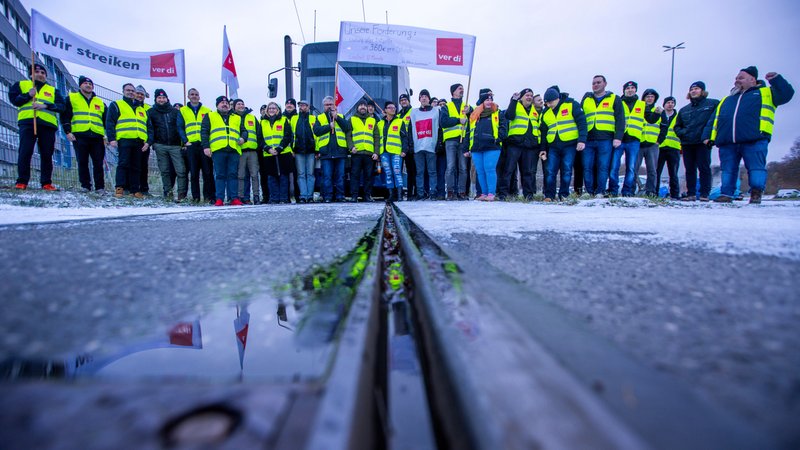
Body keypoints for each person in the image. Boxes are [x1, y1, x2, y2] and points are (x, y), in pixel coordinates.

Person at [709, 66, 794, 204]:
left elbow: (786, 94)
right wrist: (711, 137)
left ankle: (756, 193)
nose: (737, 80)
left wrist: (777, 80)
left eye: (741, 78)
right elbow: (715, 120)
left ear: (752, 80)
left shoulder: (766, 93)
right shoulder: (727, 99)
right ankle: (726, 194)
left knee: (756, 168)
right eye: (736, 78)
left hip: (754, 139)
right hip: (728, 141)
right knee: (728, 170)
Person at [10, 62, 65, 190]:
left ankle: (46, 182)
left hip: (47, 125)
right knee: (25, 152)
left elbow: (62, 107)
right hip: (28, 123)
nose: (40, 74)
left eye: (43, 73)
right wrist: (28, 96)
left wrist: (46, 106)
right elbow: (14, 100)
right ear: (31, 74)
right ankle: (22, 181)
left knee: (47, 154)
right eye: (37, 72)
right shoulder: (21, 85)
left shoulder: (52, 90)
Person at [609, 81, 659, 196]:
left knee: (631, 168)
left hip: (634, 140)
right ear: (624, 90)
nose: (630, 90)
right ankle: (613, 191)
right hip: (619, 139)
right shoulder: (618, 102)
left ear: (635, 90)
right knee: (614, 167)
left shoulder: (642, 104)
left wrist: (656, 114)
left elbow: (650, 119)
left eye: (632, 88)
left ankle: (627, 191)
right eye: (628, 88)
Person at [540, 87, 587, 201]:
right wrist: (543, 149)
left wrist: (582, 140)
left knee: (566, 170)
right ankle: (549, 195)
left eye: (551, 102)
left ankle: (563, 195)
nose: (549, 105)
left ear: (557, 98)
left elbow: (581, 122)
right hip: (553, 146)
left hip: (569, 144)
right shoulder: (545, 112)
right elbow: (543, 132)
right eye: (547, 103)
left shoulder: (571, 105)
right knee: (550, 171)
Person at [674, 81, 719, 201]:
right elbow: (677, 126)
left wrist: (710, 137)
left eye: (697, 89)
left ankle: (704, 193)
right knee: (689, 169)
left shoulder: (712, 104)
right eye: (692, 89)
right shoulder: (684, 110)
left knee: (704, 167)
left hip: (702, 142)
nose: (694, 91)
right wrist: (683, 134)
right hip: (687, 143)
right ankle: (691, 193)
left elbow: (717, 120)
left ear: (703, 91)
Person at [580, 75, 624, 198]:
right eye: (593, 83)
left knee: (603, 167)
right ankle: (589, 192)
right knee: (587, 166)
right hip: (588, 139)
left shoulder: (614, 98)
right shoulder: (586, 99)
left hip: (606, 138)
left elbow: (620, 119)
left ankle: (600, 191)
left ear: (605, 83)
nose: (595, 85)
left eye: (598, 82)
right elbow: (580, 118)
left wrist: (618, 137)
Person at [61, 75, 106, 193]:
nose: (88, 85)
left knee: (98, 163)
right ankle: (85, 186)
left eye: (90, 84)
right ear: (80, 85)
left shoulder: (100, 102)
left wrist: (106, 136)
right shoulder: (71, 98)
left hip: (97, 136)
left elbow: (106, 120)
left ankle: (100, 187)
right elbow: (65, 116)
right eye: (86, 84)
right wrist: (67, 131)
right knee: (82, 161)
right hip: (80, 135)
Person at [201, 95, 245, 206]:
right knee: (220, 175)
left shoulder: (237, 117)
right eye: (222, 103)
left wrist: (243, 138)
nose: (224, 105)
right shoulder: (210, 116)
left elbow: (244, 131)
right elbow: (204, 132)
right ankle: (219, 198)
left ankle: (233, 198)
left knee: (233, 174)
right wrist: (206, 147)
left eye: (226, 103)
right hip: (218, 150)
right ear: (217, 105)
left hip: (233, 149)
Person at [106, 83, 148, 198]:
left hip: (139, 140)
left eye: (132, 91)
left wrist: (147, 141)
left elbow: (146, 126)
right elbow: (110, 122)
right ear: (123, 91)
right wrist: (112, 139)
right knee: (123, 164)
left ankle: (135, 190)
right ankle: (120, 188)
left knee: (136, 166)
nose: (131, 92)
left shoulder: (141, 109)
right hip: (124, 139)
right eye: (128, 90)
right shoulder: (117, 105)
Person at [146, 88, 187, 201]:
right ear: (156, 99)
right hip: (160, 145)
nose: (161, 99)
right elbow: (150, 128)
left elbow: (180, 128)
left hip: (175, 145)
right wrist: (152, 142)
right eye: (159, 98)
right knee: (164, 171)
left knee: (181, 170)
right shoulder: (151, 112)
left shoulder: (175, 112)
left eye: (163, 97)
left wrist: (183, 142)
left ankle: (181, 194)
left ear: (167, 99)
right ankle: (168, 194)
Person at [465, 90, 506, 201]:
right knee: (480, 170)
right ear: (482, 102)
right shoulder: (474, 115)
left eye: (491, 100)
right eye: (487, 100)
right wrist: (467, 147)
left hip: (492, 146)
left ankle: (491, 193)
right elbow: (469, 132)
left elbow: (503, 127)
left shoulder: (498, 112)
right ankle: (483, 193)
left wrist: (498, 139)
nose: (489, 102)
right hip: (477, 147)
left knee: (489, 169)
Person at [500, 88, 541, 200]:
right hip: (515, 144)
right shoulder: (515, 105)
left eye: (531, 96)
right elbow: (509, 116)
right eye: (527, 95)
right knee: (508, 170)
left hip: (529, 146)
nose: (529, 97)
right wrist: (513, 101)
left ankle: (528, 195)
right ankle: (503, 194)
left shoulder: (534, 110)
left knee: (527, 172)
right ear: (521, 97)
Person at [178, 88, 215, 203]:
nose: (194, 96)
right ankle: (196, 198)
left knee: (207, 172)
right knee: (193, 173)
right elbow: (180, 127)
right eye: (192, 94)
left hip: (204, 145)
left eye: (196, 94)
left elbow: (211, 128)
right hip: (191, 145)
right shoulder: (183, 110)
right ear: (188, 96)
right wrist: (185, 141)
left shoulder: (207, 111)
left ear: (199, 96)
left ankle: (208, 197)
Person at [313, 95, 351, 202]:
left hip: (340, 151)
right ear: (323, 106)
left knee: (340, 176)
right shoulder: (319, 118)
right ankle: (328, 197)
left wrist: (337, 117)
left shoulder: (341, 116)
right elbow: (316, 131)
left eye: (331, 104)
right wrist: (329, 127)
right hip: (326, 152)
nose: (329, 106)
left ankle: (340, 196)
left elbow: (347, 127)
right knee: (327, 176)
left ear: (334, 105)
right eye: (326, 105)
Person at [440, 83, 472, 200]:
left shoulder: (466, 106)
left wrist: (470, 111)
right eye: (459, 88)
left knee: (463, 167)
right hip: (451, 140)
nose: (462, 90)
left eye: (463, 88)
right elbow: (443, 121)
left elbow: (473, 119)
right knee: (451, 166)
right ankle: (450, 192)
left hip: (463, 141)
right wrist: (459, 120)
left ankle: (462, 192)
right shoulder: (446, 107)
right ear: (453, 92)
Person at [410, 89, 440, 200]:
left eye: (426, 96)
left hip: (431, 146)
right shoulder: (414, 112)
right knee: (419, 172)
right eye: (421, 96)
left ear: (429, 98)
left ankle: (433, 193)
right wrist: (411, 144)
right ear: (419, 99)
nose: (423, 98)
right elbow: (410, 128)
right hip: (418, 147)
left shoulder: (436, 111)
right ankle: (420, 193)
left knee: (432, 172)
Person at [261, 102, 294, 203]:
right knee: (272, 177)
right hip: (269, 153)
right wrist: (268, 148)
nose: (271, 110)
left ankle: (284, 198)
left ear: (278, 110)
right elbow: (260, 138)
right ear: (267, 110)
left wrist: (279, 148)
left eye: (274, 108)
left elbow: (288, 136)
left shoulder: (284, 120)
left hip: (283, 153)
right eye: (269, 108)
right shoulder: (262, 122)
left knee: (284, 176)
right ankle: (274, 198)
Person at [348, 98, 380, 202]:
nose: (363, 107)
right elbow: (348, 136)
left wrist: (376, 152)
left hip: (369, 154)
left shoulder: (373, 120)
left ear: (367, 108)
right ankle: (354, 196)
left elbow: (376, 138)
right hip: (356, 153)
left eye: (364, 105)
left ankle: (367, 195)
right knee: (355, 175)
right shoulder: (352, 119)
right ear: (357, 107)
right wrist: (351, 147)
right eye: (360, 105)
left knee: (368, 176)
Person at [635, 88, 664, 196]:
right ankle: (632, 189)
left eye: (652, 97)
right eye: (647, 96)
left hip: (652, 144)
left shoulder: (659, 111)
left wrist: (659, 141)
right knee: (634, 168)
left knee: (652, 170)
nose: (650, 99)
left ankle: (650, 191)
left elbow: (664, 127)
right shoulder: (639, 110)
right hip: (639, 143)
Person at [233, 99, 262, 204]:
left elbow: (259, 134)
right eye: (238, 104)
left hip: (252, 151)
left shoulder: (252, 118)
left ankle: (256, 196)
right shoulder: (232, 118)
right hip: (239, 151)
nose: (241, 106)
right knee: (240, 175)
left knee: (254, 175)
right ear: (234, 106)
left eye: (242, 104)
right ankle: (241, 196)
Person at [290, 99, 317, 203]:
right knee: (301, 174)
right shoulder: (294, 118)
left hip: (311, 150)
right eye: (300, 105)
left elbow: (316, 135)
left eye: (304, 105)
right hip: (298, 150)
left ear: (308, 107)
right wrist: (292, 149)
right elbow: (291, 135)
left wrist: (317, 149)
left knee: (310, 174)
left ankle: (310, 196)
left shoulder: (313, 118)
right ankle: (303, 196)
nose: (302, 107)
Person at [656, 96, 682, 200]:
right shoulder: (660, 116)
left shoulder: (678, 116)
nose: (670, 104)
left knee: (673, 172)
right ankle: (654, 192)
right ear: (664, 104)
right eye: (668, 102)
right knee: (657, 171)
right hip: (660, 147)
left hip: (673, 147)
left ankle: (674, 194)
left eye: (672, 102)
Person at [134, 86, 153, 196]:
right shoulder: (129, 106)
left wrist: (149, 142)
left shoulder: (147, 109)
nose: (140, 96)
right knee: (131, 165)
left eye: (142, 94)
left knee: (144, 166)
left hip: (144, 142)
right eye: (138, 93)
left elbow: (150, 128)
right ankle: (132, 188)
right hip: (130, 139)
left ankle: (144, 189)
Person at [398, 93, 416, 200]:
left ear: (408, 101)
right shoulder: (399, 115)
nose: (403, 102)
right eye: (401, 100)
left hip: (411, 146)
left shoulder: (413, 112)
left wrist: (411, 145)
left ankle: (411, 193)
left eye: (405, 100)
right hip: (400, 147)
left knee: (411, 172)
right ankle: (399, 193)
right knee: (398, 172)